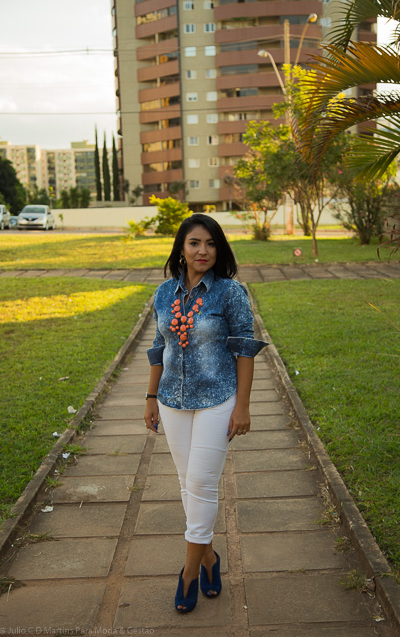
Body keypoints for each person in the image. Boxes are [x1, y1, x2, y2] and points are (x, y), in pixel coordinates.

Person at [144, 213, 268, 613]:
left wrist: (243, 406)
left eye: (211, 244)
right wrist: (150, 397)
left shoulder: (230, 292)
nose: (203, 251)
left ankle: (189, 572)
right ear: (181, 248)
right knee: (186, 485)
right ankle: (211, 558)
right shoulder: (164, 292)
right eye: (195, 243)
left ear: (220, 249)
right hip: (172, 402)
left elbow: (244, 348)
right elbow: (158, 345)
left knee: (201, 482)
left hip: (218, 400)